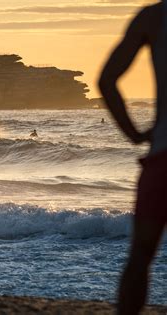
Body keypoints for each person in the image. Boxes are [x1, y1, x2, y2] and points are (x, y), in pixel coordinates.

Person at [98, 2, 166, 315]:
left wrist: (135, 134)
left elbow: (107, 80)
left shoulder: (154, 16)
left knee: (140, 256)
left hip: (163, 157)